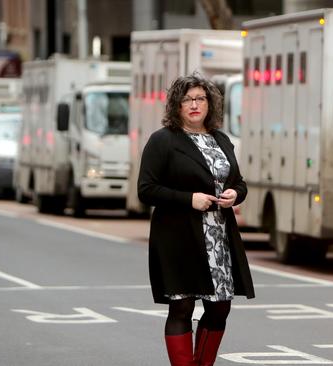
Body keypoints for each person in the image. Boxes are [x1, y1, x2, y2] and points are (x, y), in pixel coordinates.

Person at [138, 73, 255, 366]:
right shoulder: (163, 141)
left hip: (218, 237)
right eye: (187, 99)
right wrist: (189, 199)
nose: (194, 104)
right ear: (176, 105)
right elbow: (146, 189)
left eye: (200, 98)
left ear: (209, 104)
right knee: (182, 307)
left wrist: (234, 194)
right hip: (179, 237)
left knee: (219, 309)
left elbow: (239, 182)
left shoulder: (221, 139)